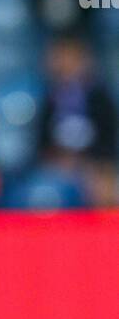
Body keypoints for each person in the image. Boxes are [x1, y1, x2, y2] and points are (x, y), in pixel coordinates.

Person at [36, 37, 118, 206]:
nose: (66, 64)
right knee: (45, 189)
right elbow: (40, 143)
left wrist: (90, 164)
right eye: (61, 58)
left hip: (96, 166)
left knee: (103, 186)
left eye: (71, 58)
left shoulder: (100, 98)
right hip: (59, 167)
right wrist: (58, 161)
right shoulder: (48, 99)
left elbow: (108, 139)